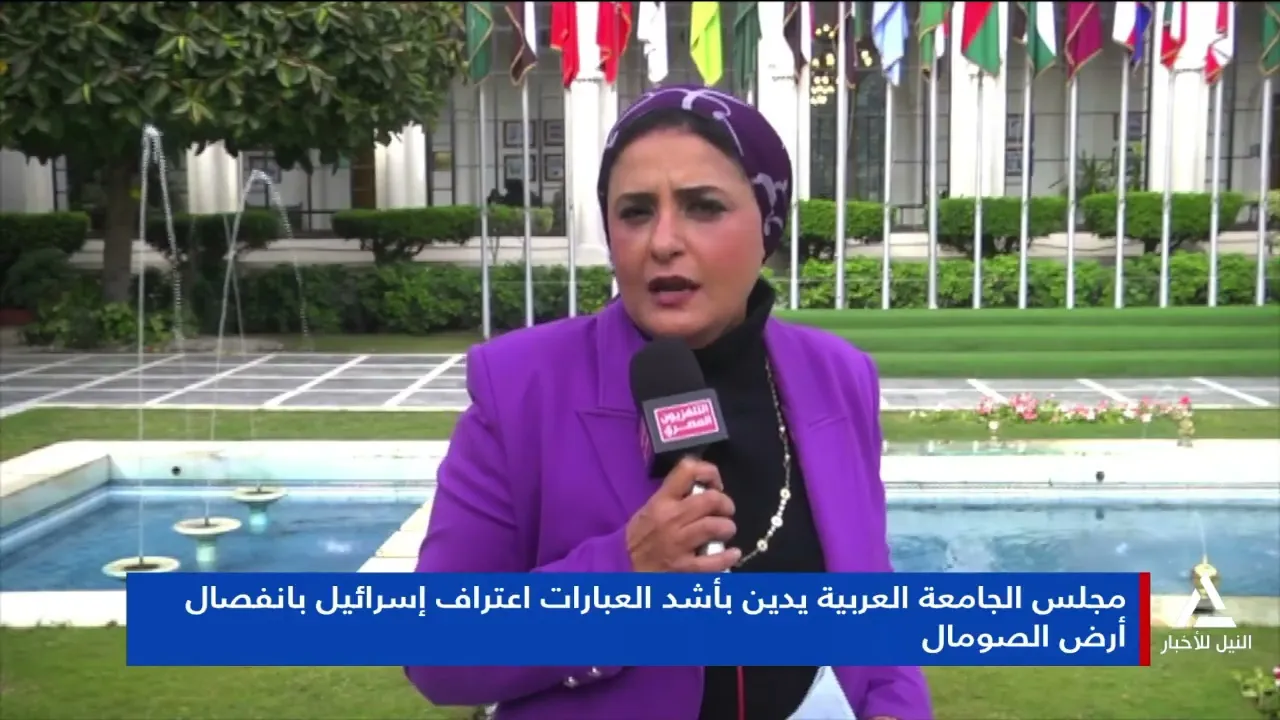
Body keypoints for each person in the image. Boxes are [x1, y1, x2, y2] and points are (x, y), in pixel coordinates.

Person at [405, 83, 933, 720]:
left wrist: (895, 707)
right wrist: (625, 572)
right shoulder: (520, 384)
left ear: (767, 224)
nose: (662, 241)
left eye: (703, 207)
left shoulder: (838, 376)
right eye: (634, 212)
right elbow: (437, 649)